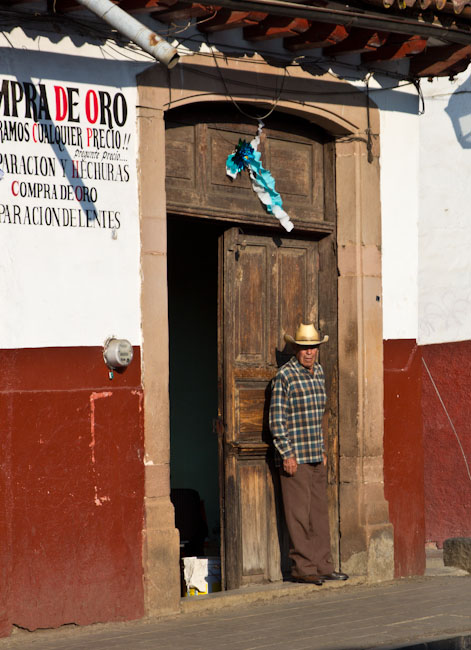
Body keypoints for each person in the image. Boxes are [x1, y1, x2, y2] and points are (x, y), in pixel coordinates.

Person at [269, 322, 348, 585]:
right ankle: (303, 568)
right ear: (295, 349)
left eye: (313, 347)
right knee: (299, 515)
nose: (309, 352)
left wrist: (323, 450)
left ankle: (324, 565)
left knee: (319, 514)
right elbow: (277, 420)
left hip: (315, 454)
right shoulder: (285, 376)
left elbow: (319, 416)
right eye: (304, 348)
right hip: (296, 457)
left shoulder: (319, 373)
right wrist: (287, 454)